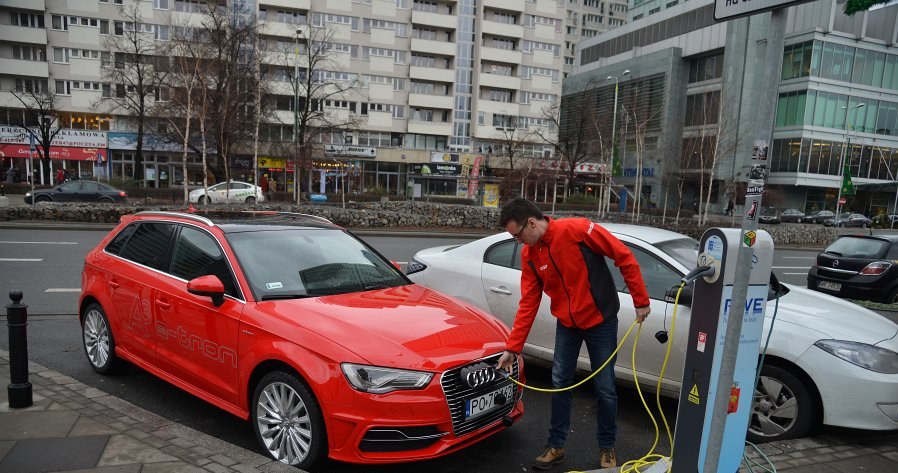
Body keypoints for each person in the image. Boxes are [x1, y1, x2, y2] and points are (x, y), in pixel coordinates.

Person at [496, 198, 650, 470]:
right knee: (560, 383)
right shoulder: (530, 255)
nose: (518, 242)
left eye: (517, 235)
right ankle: (556, 446)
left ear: (531, 223)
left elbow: (623, 256)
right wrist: (513, 347)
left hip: (600, 320)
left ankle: (607, 448)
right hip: (567, 324)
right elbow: (529, 302)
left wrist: (641, 300)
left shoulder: (578, 230)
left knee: (604, 387)